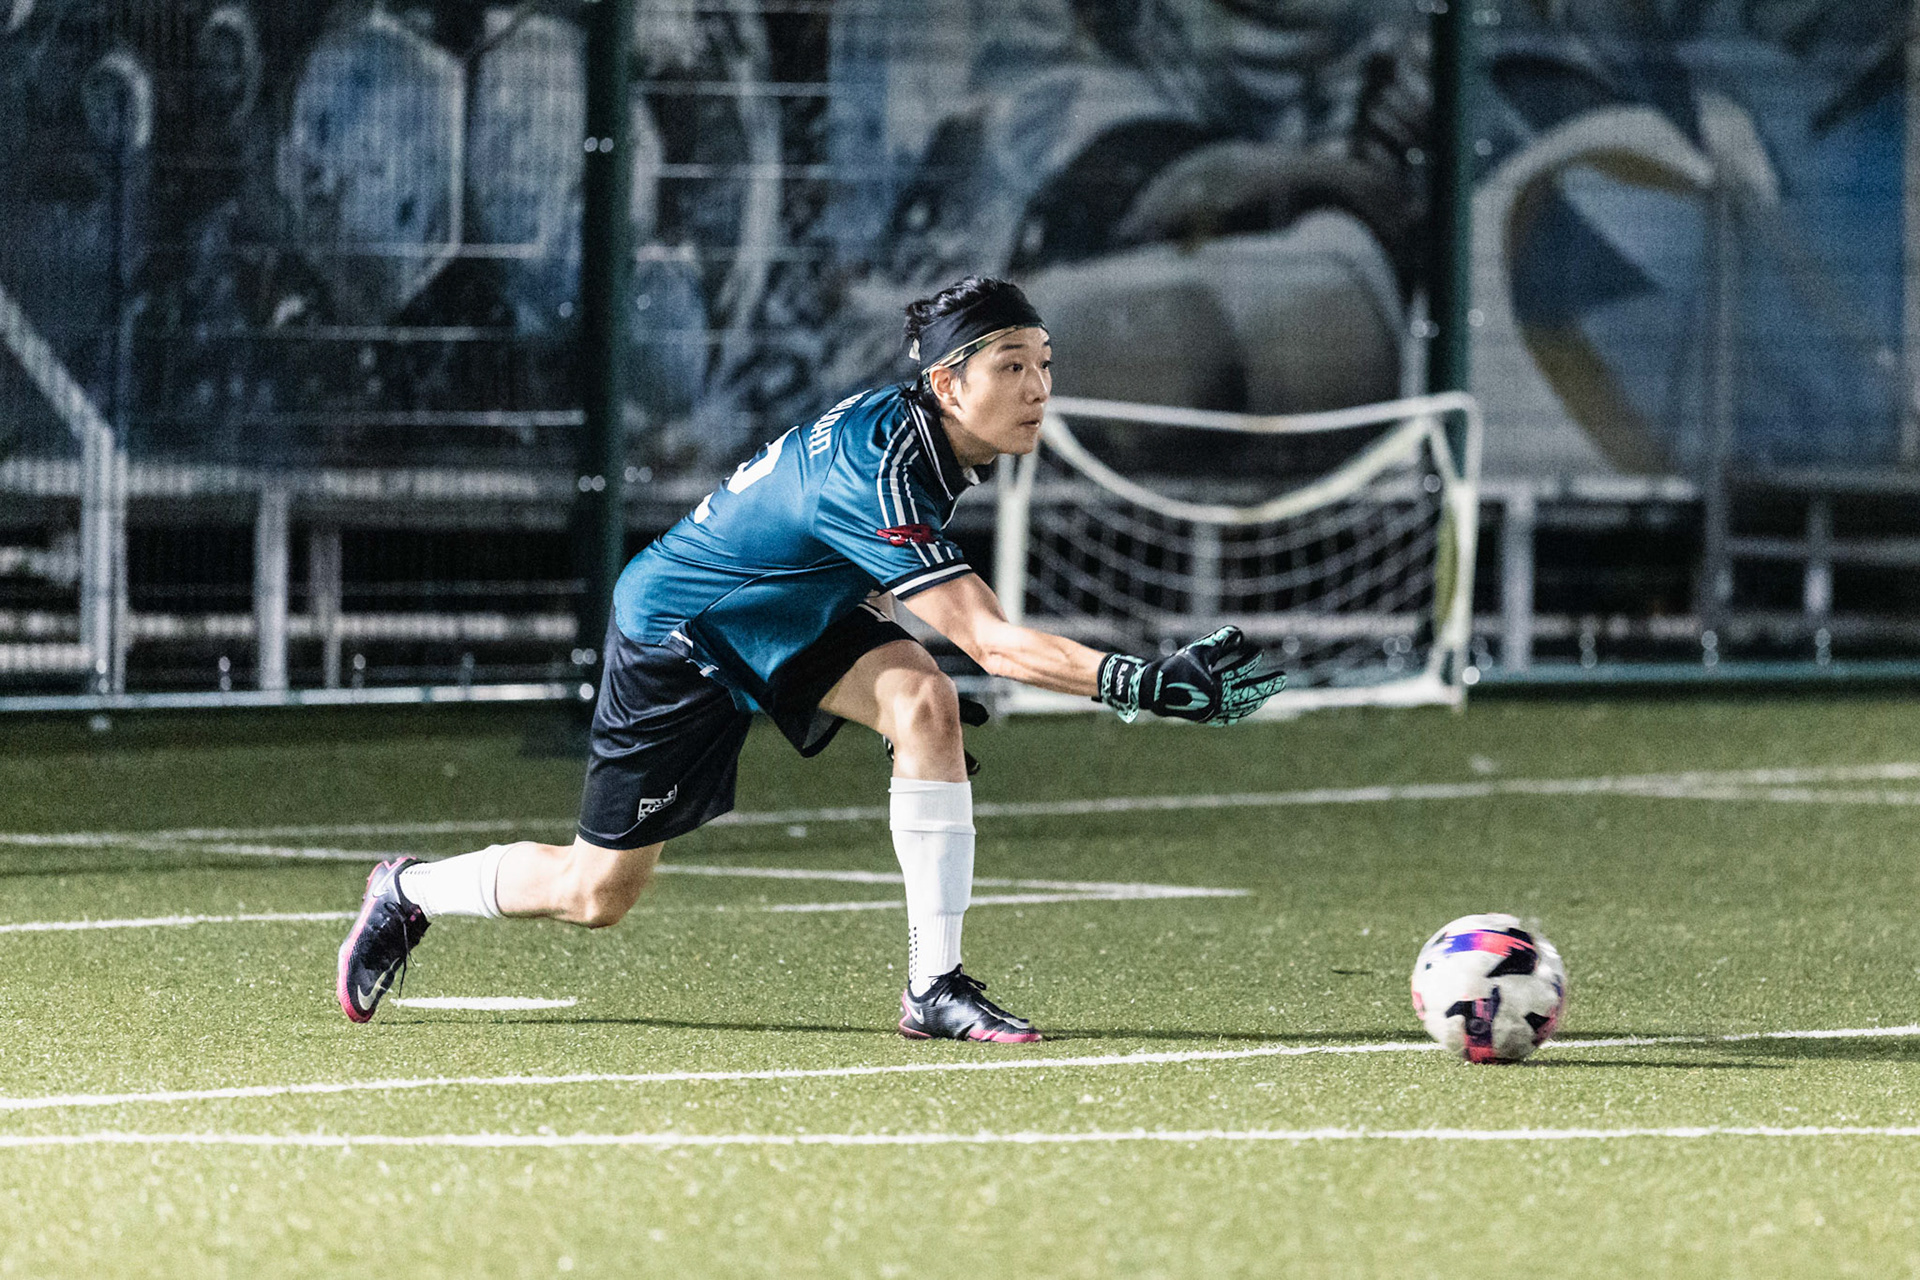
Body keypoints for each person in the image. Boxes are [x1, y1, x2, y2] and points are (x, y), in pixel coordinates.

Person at [336, 275, 1286, 1042]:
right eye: (1012, 367)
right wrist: (1145, 683)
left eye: (1045, 364)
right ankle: (408, 889)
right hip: (688, 631)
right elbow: (990, 640)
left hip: (787, 613)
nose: (1039, 389)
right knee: (596, 896)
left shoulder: (922, 439)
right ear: (950, 384)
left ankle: (933, 986)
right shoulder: (882, 469)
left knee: (926, 707)